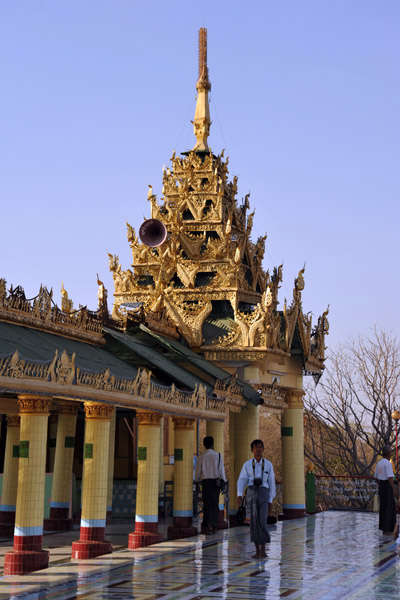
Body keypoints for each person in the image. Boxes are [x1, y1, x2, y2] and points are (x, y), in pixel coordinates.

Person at [237, 439, 276, 559]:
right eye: (256, 447)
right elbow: (242, 479)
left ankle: (263, 550)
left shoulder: (268, 465)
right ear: (252, 450)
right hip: (252, 492)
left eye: (260, 447)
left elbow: (271, 482)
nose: (258, 449)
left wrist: (270, 500)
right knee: (254, 522)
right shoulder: (247, 465)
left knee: (263, 521)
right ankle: (256, 550)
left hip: (264, 492)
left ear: (263, 449)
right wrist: (239, 494)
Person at [194, 436, 226, 535]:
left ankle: (207, 526)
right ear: (213, 444)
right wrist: (224, 481)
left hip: (206, 483)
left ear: (204, 445)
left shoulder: (201, 457)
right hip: (216, 483)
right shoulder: (219, 456)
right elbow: (221, 471)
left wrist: (197, 480)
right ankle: (214, 526)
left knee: (207, 505)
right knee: (214, 504)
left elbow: (197, 472)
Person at [374, 445, 397, 535]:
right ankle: (388, 530)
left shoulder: (379, 463)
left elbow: (375, 477)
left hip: (382, 486)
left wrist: (381, 485)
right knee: (389, 508)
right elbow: (390, 478)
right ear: (388, 453)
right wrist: (393, 489)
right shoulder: (388, 464)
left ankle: (384, 529)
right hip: (387, 487)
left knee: (383, 508)